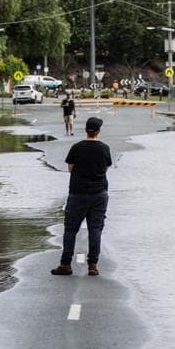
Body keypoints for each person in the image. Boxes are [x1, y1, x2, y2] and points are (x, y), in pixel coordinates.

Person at [51, 117, 112, 277]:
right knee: (95, 230)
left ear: (86, 130)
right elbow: (106, 168)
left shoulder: (77, 147)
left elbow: (70, 168)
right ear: (99, 131)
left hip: (77, 193)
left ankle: (65, 264)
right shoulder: (104, 148)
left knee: (70, 229)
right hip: (99, 194)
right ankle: (93, 265)